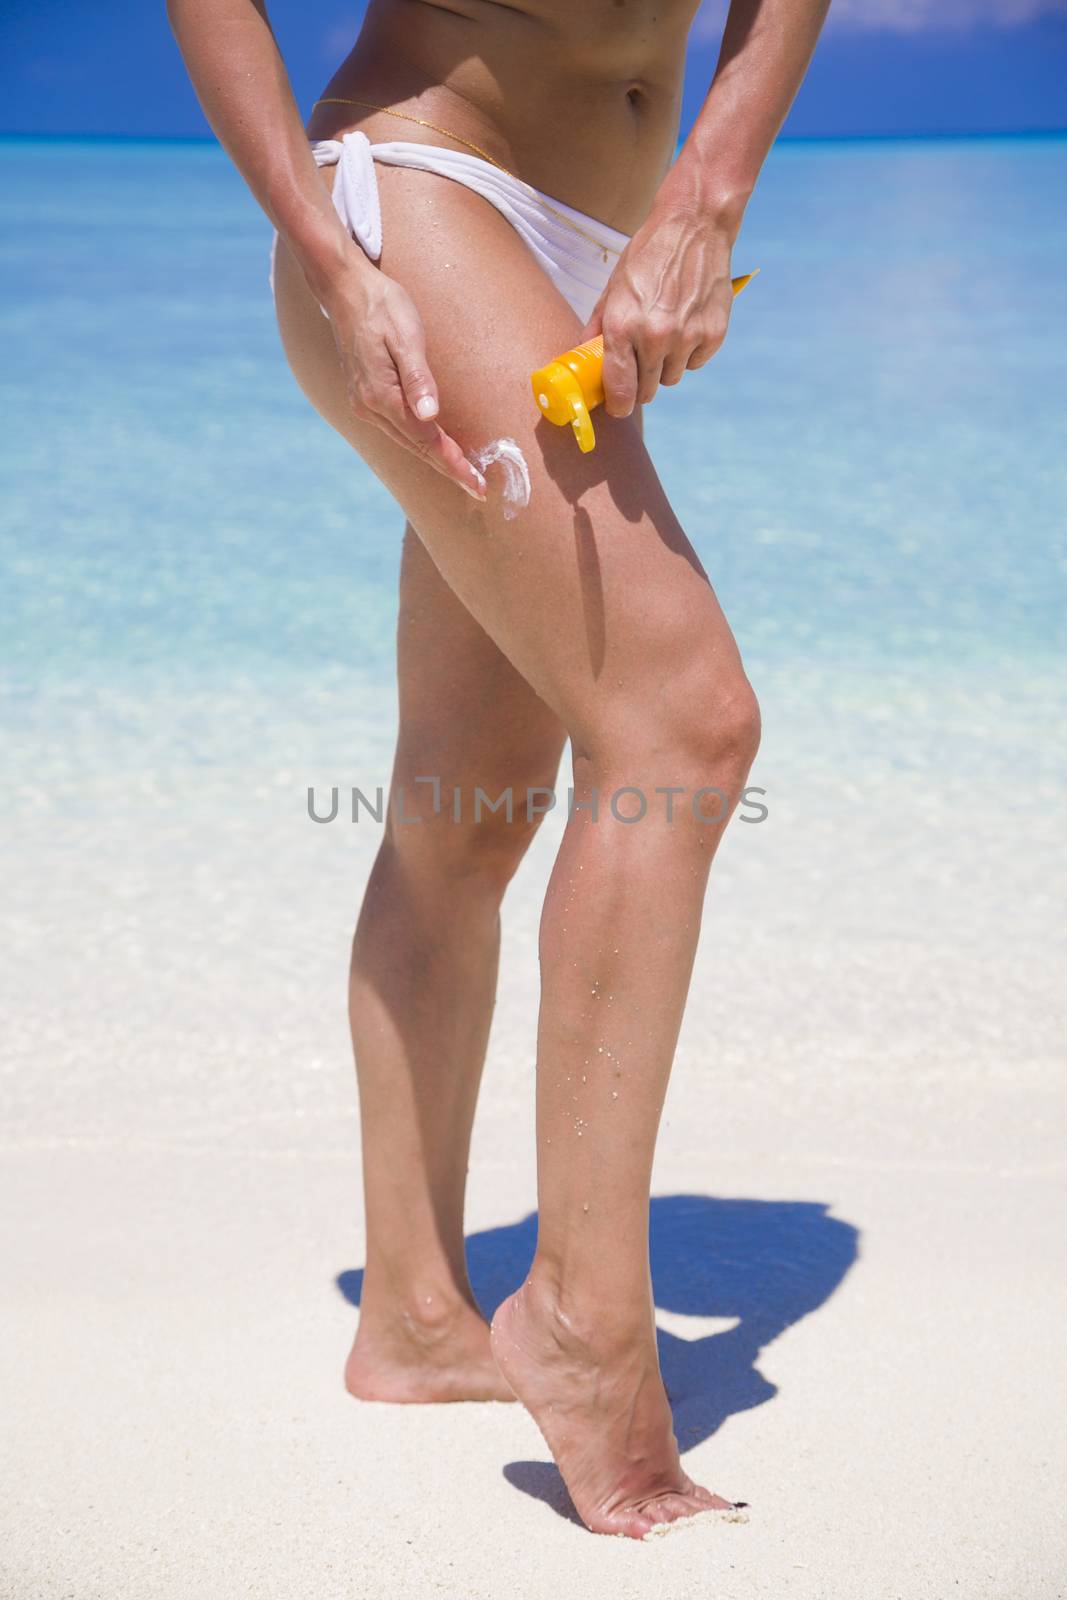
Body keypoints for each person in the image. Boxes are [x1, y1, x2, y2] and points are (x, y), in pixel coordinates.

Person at [169, 0, 829, 1540]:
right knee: (684, 725)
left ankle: (411, 1314)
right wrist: (334, 261)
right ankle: (588, 1331)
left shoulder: (831, 1233)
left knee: (471, 802)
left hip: (585, 233)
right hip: (416, 200)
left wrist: (703, 195)